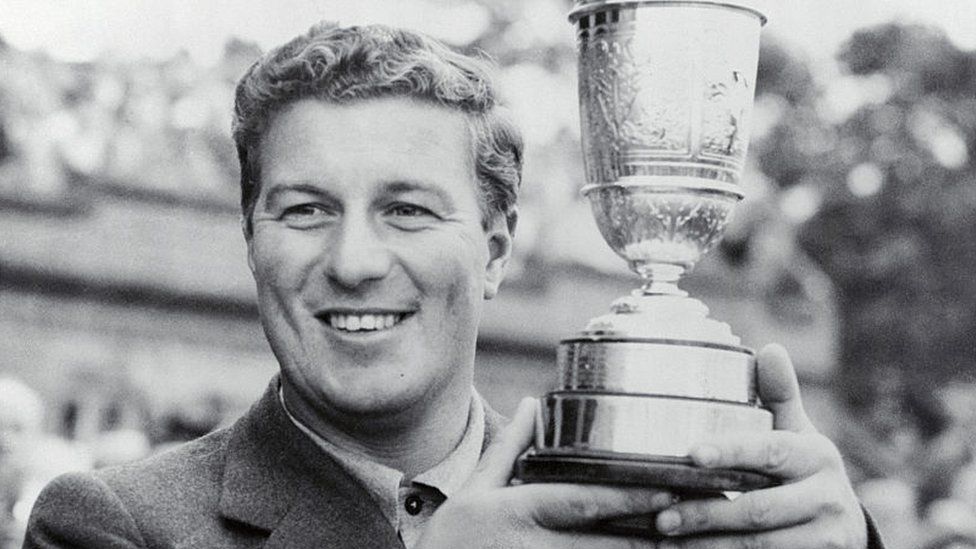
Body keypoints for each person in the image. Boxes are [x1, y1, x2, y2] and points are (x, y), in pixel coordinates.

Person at [24, 23, 885, 548]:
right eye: (304, 210)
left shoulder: (635, 504)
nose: (355, 260)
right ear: (249, 240)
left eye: (407, 211)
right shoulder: (110, 524)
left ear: (498, 249)